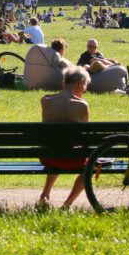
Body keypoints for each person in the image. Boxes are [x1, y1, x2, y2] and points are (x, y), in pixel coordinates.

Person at [38, 65, 91, 209]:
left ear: (64, 82)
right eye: (85, 86)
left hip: (48, 156)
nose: (85, 90)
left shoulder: (46, 101)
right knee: (92, 164)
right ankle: (67, 204)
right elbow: (85, 138)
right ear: (80, 83)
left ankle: (45, 194)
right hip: (73, 159)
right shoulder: (82, 105)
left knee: (57, 148)